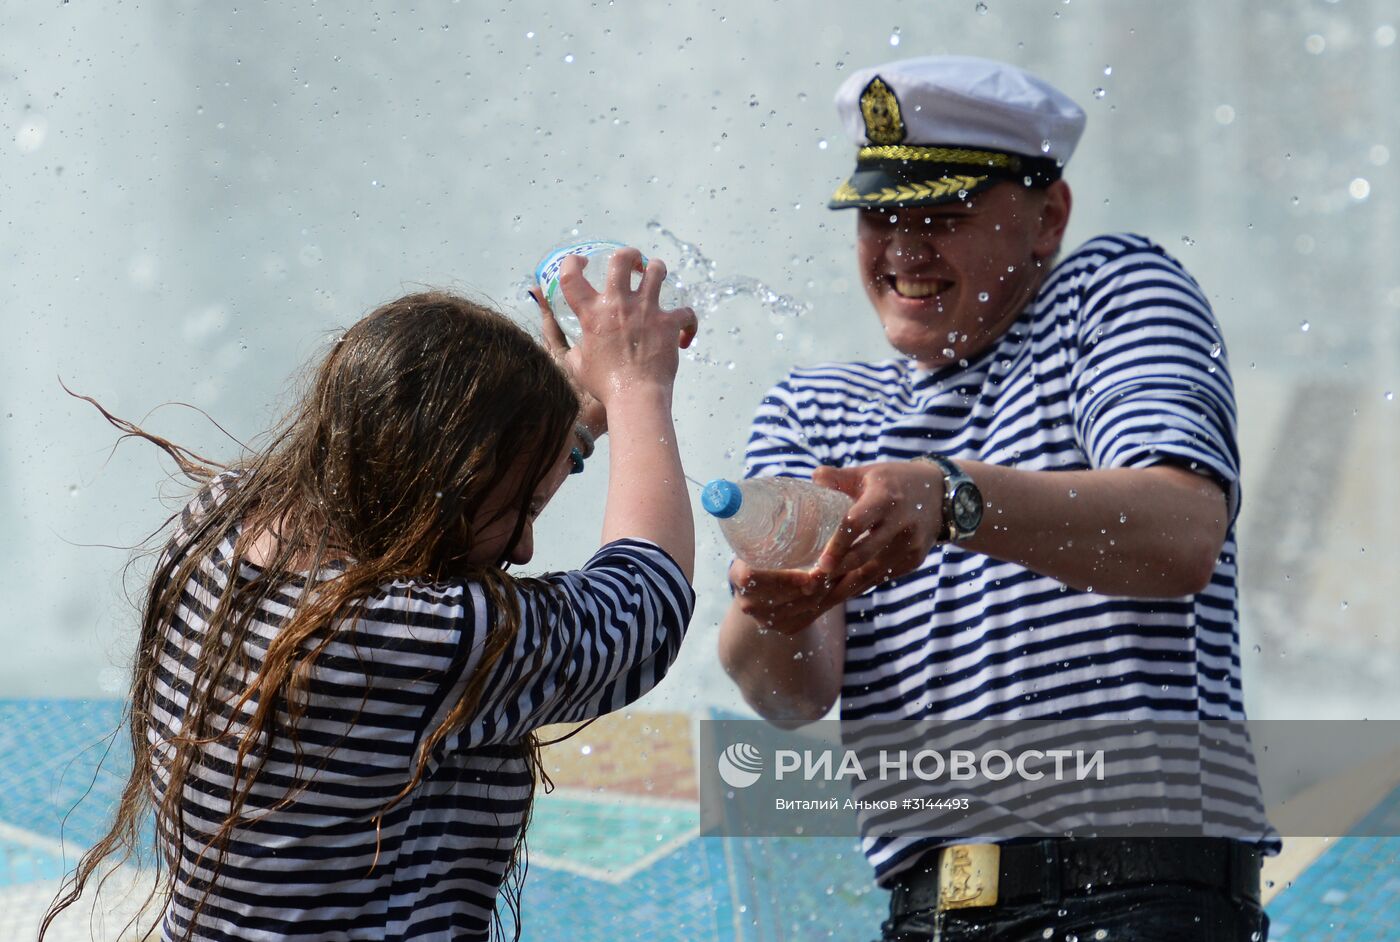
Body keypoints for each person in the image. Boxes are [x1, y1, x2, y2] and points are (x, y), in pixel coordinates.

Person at [718, 56, 1273, 940]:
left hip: (1139, 896)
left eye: (942, 214)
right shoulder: (813, 409)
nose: (903, 247)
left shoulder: (1109, 292)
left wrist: (952, 499)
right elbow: (792, 696)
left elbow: (1181, 531)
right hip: (929, 914)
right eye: (879, 215)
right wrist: (776, 609)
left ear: (1048, 217)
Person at [41, 252, 698, 942]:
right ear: (440, 488)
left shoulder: (219, 523)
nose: (526, 550)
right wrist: (637, 390)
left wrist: (568, 425)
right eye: (518, 511)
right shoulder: (411, 638)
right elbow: (643, 608)